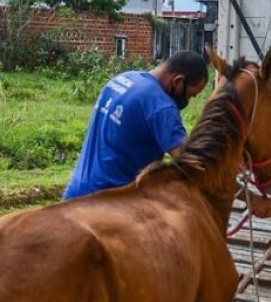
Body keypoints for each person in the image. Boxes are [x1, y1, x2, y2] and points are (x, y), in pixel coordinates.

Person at [63, 50, 209, 200]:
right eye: (190, 95)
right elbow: (188, 160)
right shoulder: (161, 106)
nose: (188, 101)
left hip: (76, 192)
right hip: (110, 203)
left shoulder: (123, 79)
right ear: (178, 81)